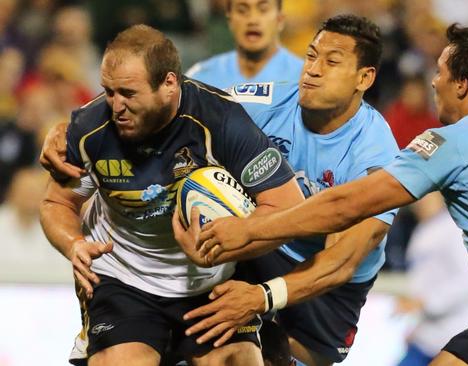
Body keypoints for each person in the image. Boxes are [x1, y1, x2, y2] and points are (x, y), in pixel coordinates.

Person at [200, 24, 468, 366]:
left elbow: (346, 204)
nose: (433, 81)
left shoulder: (452, 142)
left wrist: (251, 230)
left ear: (462, 85)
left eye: (441, 71)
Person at [40, 15, 399, 366]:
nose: (314, 69)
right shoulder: (264, 102)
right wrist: (67, 131)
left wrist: (261, 296)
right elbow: (187, 97)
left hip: (326, 279)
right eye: (310, 56)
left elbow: (341, 263)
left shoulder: (375, 154)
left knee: (287, 354)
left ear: (365, 78)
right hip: (252, 247)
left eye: (331, 62)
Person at [395, 192, 468, 366]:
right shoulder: (423, 228)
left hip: (458, 333)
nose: (420, 203)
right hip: (427, 336)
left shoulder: (455, 229)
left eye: (427, 196)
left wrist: (424, 302)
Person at [185, 0, 303, 89]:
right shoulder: (199, 79)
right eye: (242, 10)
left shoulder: (303, 79)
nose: (252, 20)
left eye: (263, 9)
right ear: (230, 21)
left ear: (280, 20)